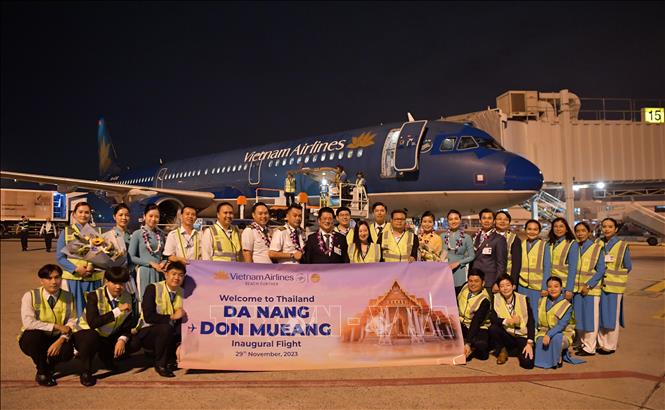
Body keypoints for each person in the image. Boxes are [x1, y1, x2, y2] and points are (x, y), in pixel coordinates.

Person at [74, 267, 139, 387]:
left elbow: (128, 323)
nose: (118, 287)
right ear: (106, 281)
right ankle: (86, 371)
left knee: (135, 341)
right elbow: (93, 323)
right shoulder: (94, 295)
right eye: (114, 283)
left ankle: (107, 357)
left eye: (121, 283)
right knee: (91, 337)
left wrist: (122, 340)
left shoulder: (128, 297)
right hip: (87, 334)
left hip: (108, 334)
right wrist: (117, 310)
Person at [18, 264, 76, 386]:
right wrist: (56, 326)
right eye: (49, 278)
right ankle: (42, 371)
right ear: (41, 281)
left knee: (67, 351)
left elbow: (72, 321)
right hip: (36, 337)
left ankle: (51, 365)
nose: (54, 282)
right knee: (33, 338)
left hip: (56, 337)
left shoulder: (68, 296)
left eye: (57, 277)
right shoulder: (30, 296)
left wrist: (61, 340)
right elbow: (28, 323)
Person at [131, 261, 187, 377]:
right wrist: (171, 317)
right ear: (166, 274)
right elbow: (148, 316)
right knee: (165, 328)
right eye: (173, 274)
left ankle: (173, 355)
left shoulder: (182, 292)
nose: (177, 278)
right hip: (147, 331)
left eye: (180, 275)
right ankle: (161, 364)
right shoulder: (153, 288)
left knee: (185, 327)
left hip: (169, 331)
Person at [56, 202, 104, 317]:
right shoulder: (66, 232)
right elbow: (60, 257)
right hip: (73, 278)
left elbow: (102, 255)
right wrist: (75, 269)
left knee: (93, 310)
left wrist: (92, 266)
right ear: (74, 214)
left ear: (90, 215)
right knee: (75, 310)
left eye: (87, 212)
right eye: (80, 212)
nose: (83, 215)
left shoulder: (97, 232)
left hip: (93, 277)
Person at [598, 217, 632, 355]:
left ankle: (610, 345)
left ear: (616, 229)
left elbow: (628, 266)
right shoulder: (598, 243)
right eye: (604, 226)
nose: (606, 229)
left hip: (614, 287)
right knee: (601, 315)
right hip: (599, 286)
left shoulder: (622, 245)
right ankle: (601, 343)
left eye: (610, 226)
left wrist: (614, 276)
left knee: (612, 316)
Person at [572, 221, 605, 357]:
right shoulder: (574, 247)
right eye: (577, 231)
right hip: (577, 290)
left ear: (589, 232)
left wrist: (589, 285)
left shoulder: (597, 248)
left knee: (591, 319)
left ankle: (590, 347)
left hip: (590, 291)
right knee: (580, 318)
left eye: (583, 231)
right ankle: (583, 344)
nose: (580, 233)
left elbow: (601, 270)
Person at [489, 274, 535, 369]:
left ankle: (512, 351)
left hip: (522, 335)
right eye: (502, 286)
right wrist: (507, 321)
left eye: (508, 285)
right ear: (499, 288)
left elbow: (531, 321)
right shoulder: (496, 298)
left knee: (527, 364)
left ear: (513, 286)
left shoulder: (523, 298)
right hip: (507, 335)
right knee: (493, 328)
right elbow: (492, 318)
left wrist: (530, 342)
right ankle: (502, 349)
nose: (505, 288)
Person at [534, 276, 576, 369]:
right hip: (544, 331)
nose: (553, 289)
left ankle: (558, 357)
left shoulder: (566, 304)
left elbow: (561, 325)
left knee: (556, 339)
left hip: (563, 332)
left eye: (556, 286)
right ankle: (545, 360)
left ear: (561, 288)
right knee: (540, 341)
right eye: (550, 286)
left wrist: (549, 335)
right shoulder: (542, 300)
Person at [129, 204, 167, 302]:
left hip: (159, 272)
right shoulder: (137, 234)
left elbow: (165, 255)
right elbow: (131, 257)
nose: (153, 219)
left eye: (156, 217)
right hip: (145, 272)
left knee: (160, 301)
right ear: (144, 216)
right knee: (146, 301)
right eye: (150, 216)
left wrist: (163, 262)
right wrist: (150, 263)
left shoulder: (161, 234)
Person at [517, 219, 551, 318]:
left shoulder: (544, 245)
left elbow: (547, 268)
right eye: (529, 229)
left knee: (535, 313)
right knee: (522, 313)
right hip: (522, 285)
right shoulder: (521, 244)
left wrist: (545, 287)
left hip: (537, 287)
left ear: (539, 231)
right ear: (525, 230)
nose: (532, 232)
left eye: (535, 229)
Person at [103, 203, 137, 295]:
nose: (124, 218)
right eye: (120, 215)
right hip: (114, 276)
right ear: (114, 217)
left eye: (127, 215)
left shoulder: (133, 236)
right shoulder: (108, 236)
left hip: (129, 275)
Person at [457, 268, 491, 361]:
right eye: (470, 281)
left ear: (483, 283)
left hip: (478, 327)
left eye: (476, 281)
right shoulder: (465, 286)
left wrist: (468, 343)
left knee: (482, 348)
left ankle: (470, 347)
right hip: (461, 323)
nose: (473, 284)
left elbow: (476, 322)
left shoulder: (485, 300)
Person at [470, 208, 507, 293]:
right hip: (475, 281)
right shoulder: (474, 237)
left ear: (493, 221)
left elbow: (501, 264)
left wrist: (497, 282)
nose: (486, 221)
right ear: (480, 220)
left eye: (489, 218)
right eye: (484, 218)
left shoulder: (499, 239)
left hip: (490, 281)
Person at [442, 209, 475, 295]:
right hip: (444, 272)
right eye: (451, 219)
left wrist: (459, 263)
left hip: (459, 272)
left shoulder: (466, 237)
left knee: (459, 296)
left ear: (460, 220)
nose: (453, 221)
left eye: (456, 219)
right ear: (447, 221)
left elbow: (472, 256)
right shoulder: (442, 236)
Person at [548, 217, 578, 301]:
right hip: (551, 285)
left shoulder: (572, 243)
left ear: (566, 229)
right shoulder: (549, 243)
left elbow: (573, 268)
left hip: (564, 286)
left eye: (561, 226)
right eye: (555, 226)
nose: (558, 229)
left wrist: (569, 289)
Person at [494, 210, 521, 283]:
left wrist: (513, 282)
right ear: (494, 221)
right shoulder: (488, 237)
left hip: (506, 279)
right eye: (499, 219)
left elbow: (516, 264)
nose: (502, 221)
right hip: (489, 278)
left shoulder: (514, 239)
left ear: (509, 222)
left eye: (506, 220)